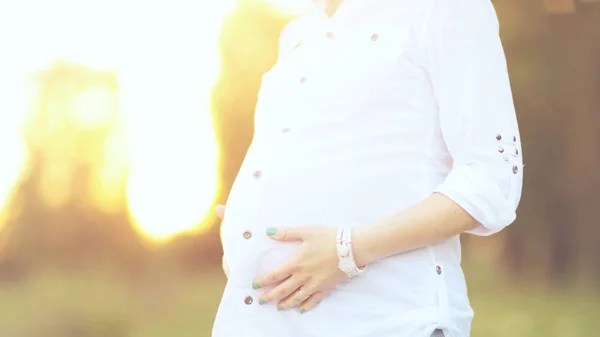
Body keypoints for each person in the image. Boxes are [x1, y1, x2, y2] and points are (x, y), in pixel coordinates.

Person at [212, 0, 523, 336]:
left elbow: (492, 176)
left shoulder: (446, 8)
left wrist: (349, 250)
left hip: (388, 319)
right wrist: (250, 218)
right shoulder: (297, 34)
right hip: (258, 323)